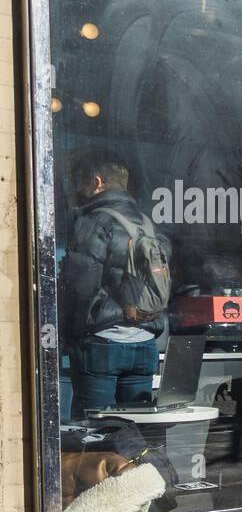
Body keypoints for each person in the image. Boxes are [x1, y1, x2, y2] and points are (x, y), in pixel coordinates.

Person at [61, 151, 173, 416]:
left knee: (96, 431)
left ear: (98, 182)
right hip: (145, 342)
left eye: (83, 182)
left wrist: (69, 334)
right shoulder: (148, 225)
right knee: (134, 430)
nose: (80, 190)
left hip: (103, 344)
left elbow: (80, 287)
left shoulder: (93, 221)